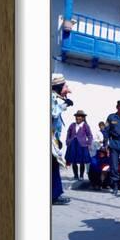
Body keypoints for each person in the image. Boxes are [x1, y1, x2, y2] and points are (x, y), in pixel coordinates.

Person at [51, 73, 73, 205]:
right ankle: (55, 194)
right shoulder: (51, 97)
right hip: (50, 137)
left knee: (53, 166)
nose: (67, 88)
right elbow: (53, 113)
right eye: (65, 85)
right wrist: (65, 105)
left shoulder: (55, 97)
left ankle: (55, 193)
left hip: (54, 138)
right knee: (53, 167)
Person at [65, 110, 93, 180]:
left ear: (83, 118)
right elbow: (68, 133)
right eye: (77, 116)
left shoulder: (85, 126)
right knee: (73, 161)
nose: (78, 118)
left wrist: (88, 143)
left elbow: (90, 135)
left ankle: (81, 176)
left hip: (82, 146)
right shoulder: (72, 125)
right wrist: (68, 141)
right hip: (73, 145)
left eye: (80, 116)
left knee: (82, 161)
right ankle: (76, 175)